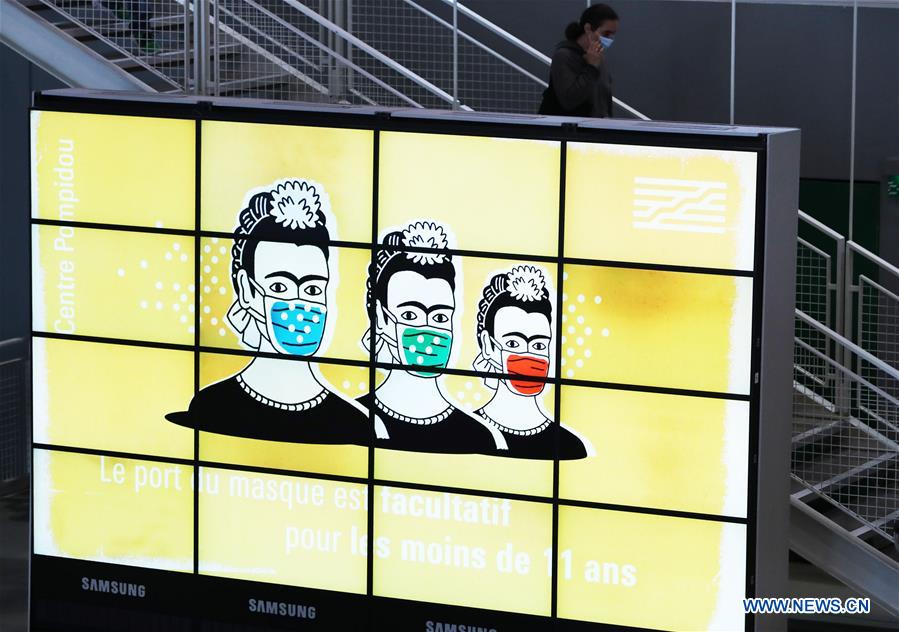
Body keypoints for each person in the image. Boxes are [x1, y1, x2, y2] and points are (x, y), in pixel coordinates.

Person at [167, 179, 369, 445]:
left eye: (312, 289)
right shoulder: (213, 407)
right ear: (246, 289)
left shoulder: (352, 423)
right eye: (279, 287)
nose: (299, 305)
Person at [358, 221, 500, 454]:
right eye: (410, 315)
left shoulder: (480, 436)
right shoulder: (356, 423)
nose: (428, 330)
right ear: (381, 317)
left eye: (440, 317)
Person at [472, 265, 590, 460]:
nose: (528, 356)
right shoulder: (470, 435)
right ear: (488, 345)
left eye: (538, 345)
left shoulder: (569, 446)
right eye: (513, 343)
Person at [538, 3, 619, 118]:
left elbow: (604, 101)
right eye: (606, 33)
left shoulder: (599, 59)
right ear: (588, 29)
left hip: (597, 127)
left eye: (612, 35)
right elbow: (569, 100)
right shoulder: (564, 56)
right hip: (568, 128)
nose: (609, 39)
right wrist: (591, 68)